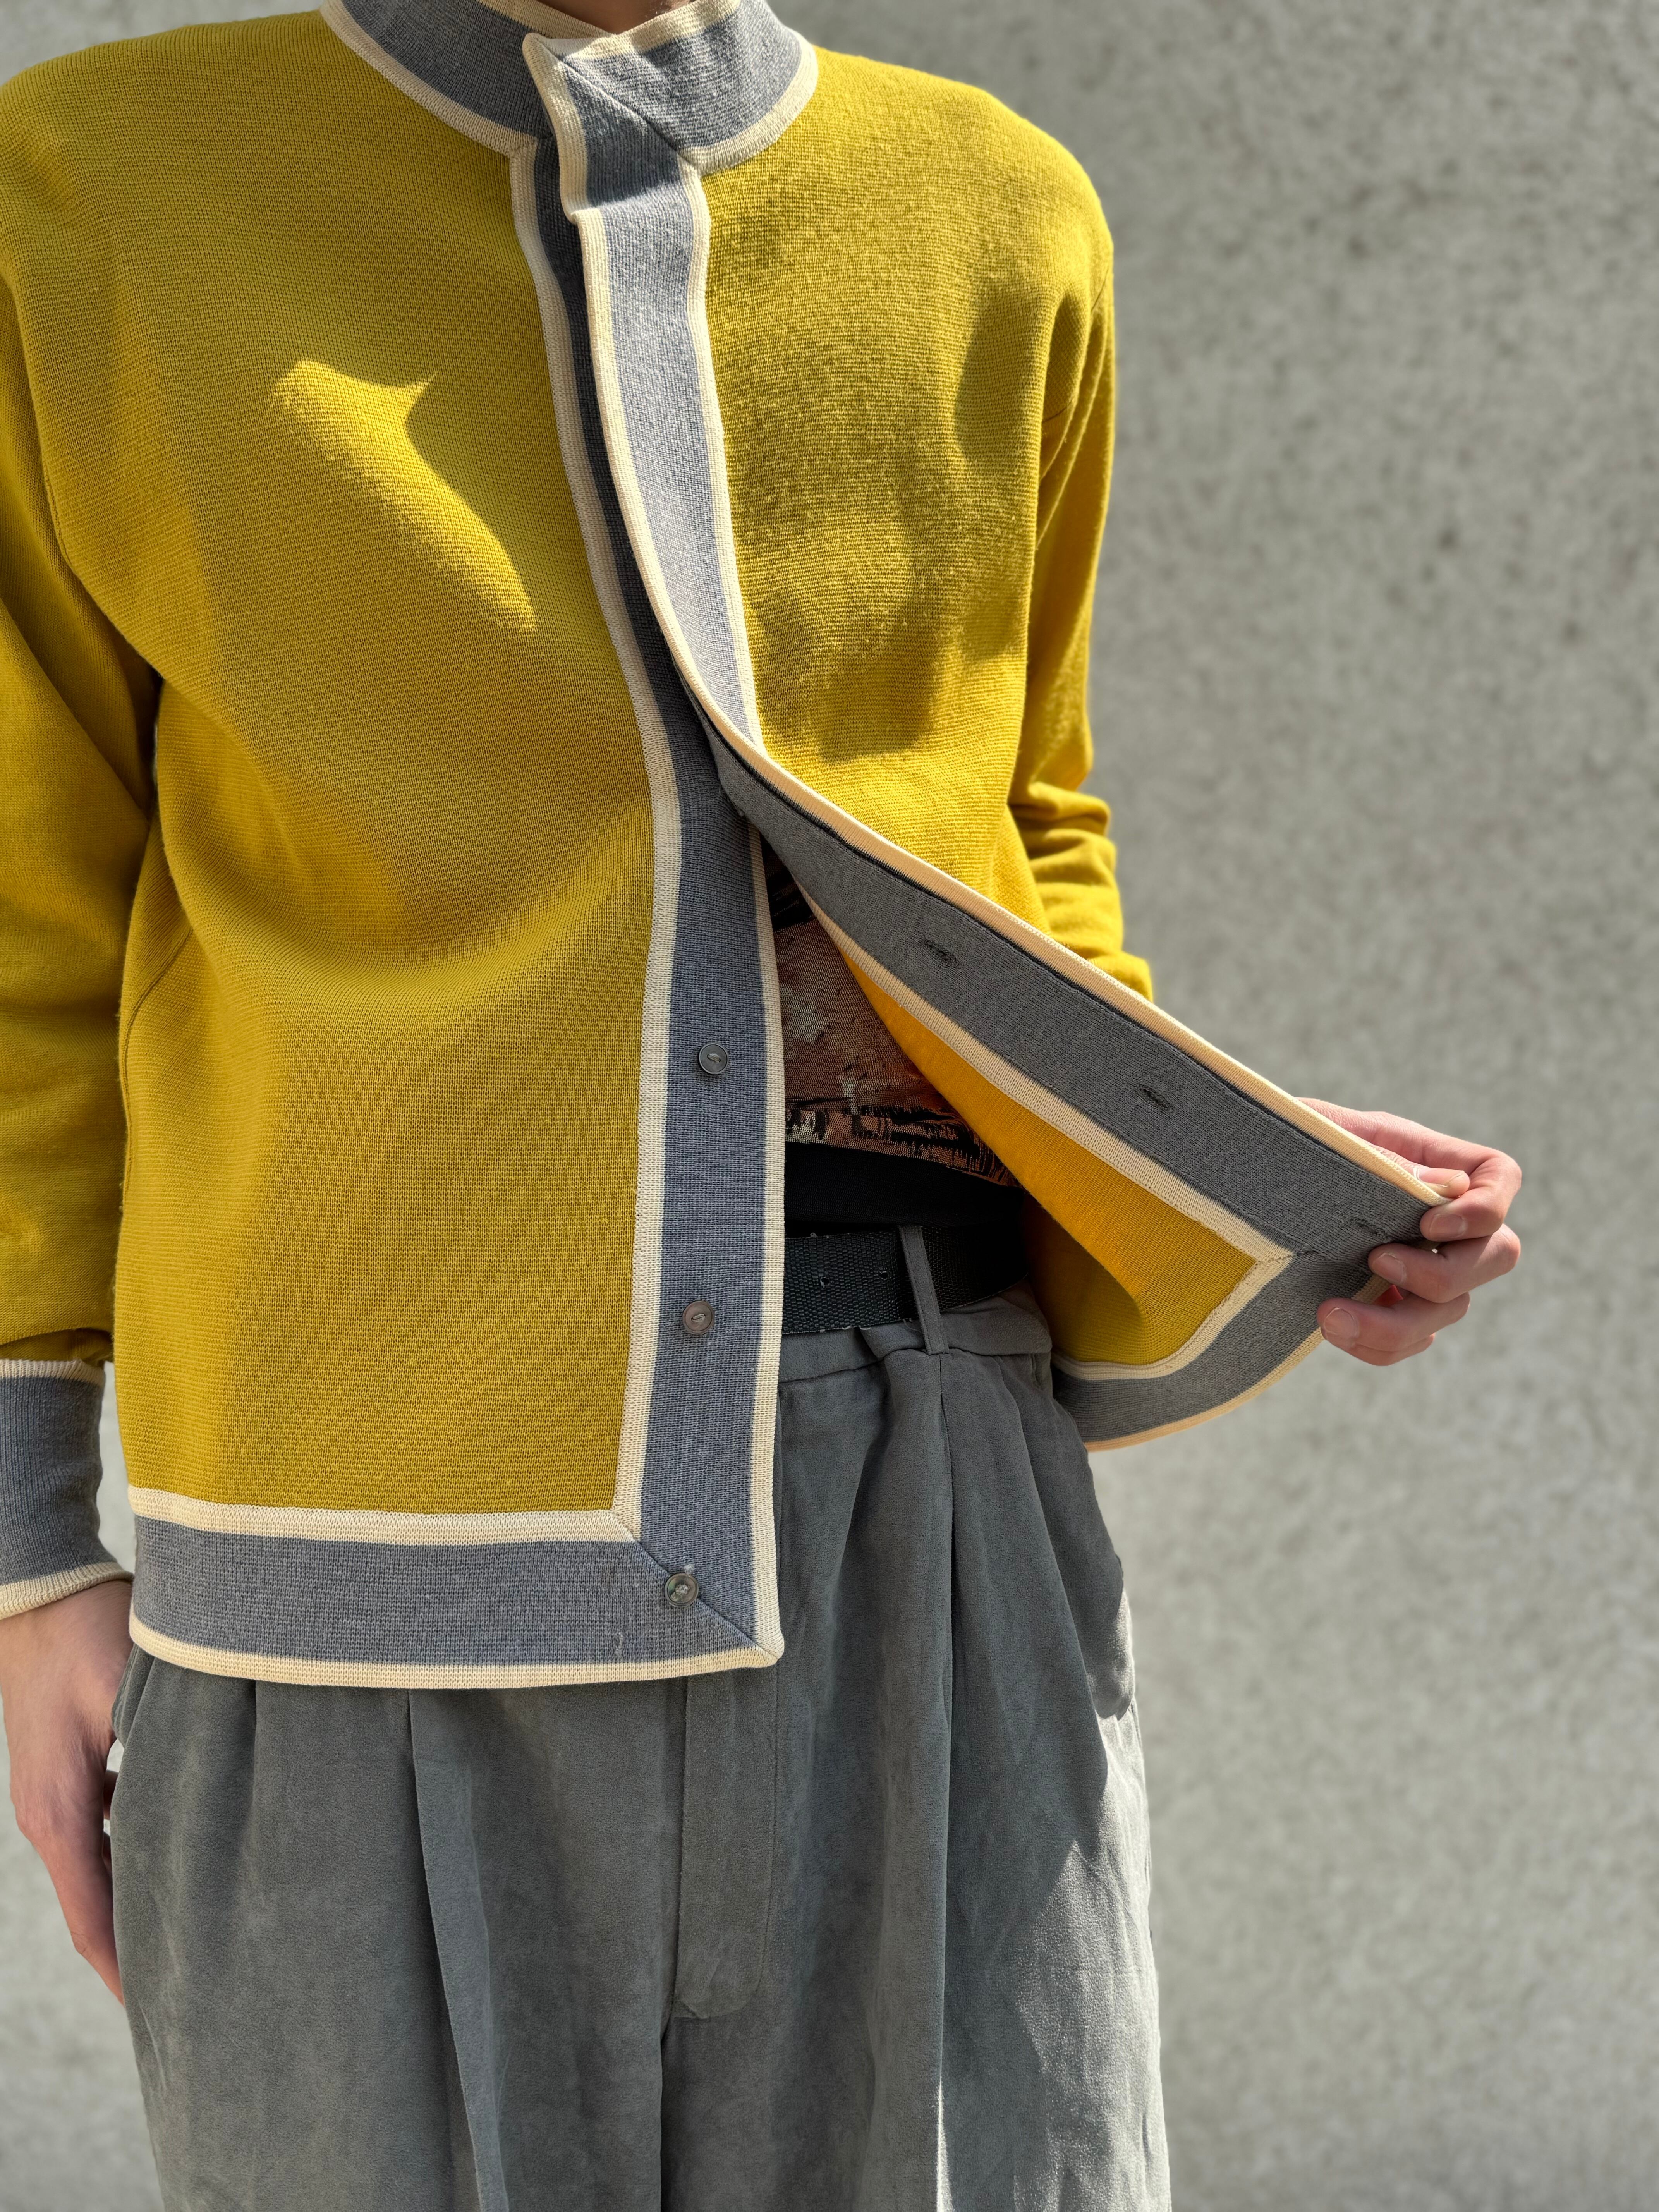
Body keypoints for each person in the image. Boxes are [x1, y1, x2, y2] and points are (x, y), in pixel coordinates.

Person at [0, 0, 1520, 2204]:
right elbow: (22, 915)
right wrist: (34, 1547)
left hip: (939, 1517)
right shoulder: (94, 194)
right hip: (345, 1577)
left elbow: (1017, 842)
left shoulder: (996, 214)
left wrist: (1234, 1178)